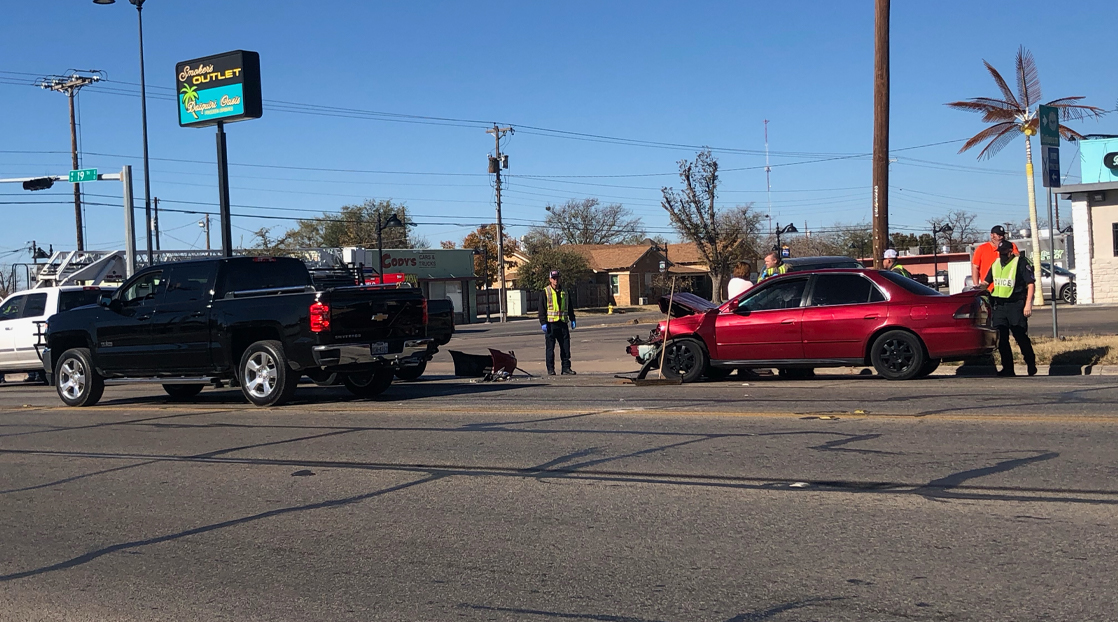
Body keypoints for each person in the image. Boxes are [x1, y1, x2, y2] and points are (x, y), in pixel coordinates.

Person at [984, 240, 1038, 377]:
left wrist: (1028, 304)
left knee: (1020, 336)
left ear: (1010, 252)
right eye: (999, 253)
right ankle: (1008, 368)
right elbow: (986, 282)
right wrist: (977, 289)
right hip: (1000, 306)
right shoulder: (995, 264)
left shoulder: (1020, 263)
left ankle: (1030, 363)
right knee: (1001, 338)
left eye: (1003, 253)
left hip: (1016, 305)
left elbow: (1030, 284)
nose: (1001, 255)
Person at [538, 269, 576, 375]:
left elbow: (569, 306)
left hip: (563, 323)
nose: (556, 280)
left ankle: (566, 368)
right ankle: (551, 369)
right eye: (554, 278)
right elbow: (541, 309)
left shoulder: (565, 291)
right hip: (550, 324)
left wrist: (572, 318)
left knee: (565, 347)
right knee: (550, 349)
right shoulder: (545, 292)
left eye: (557, 278)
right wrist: (543, 323)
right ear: (550, 279)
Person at [971, 225, 1019, 292]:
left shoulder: (1011, 246)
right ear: (992, 235)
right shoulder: (981, 249)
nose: (1001, 237)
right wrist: (977, 287)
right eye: (998, 235)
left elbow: (1017, 260)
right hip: (989, 289)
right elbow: (975, 268)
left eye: (1002, 235)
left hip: (1007, 289)